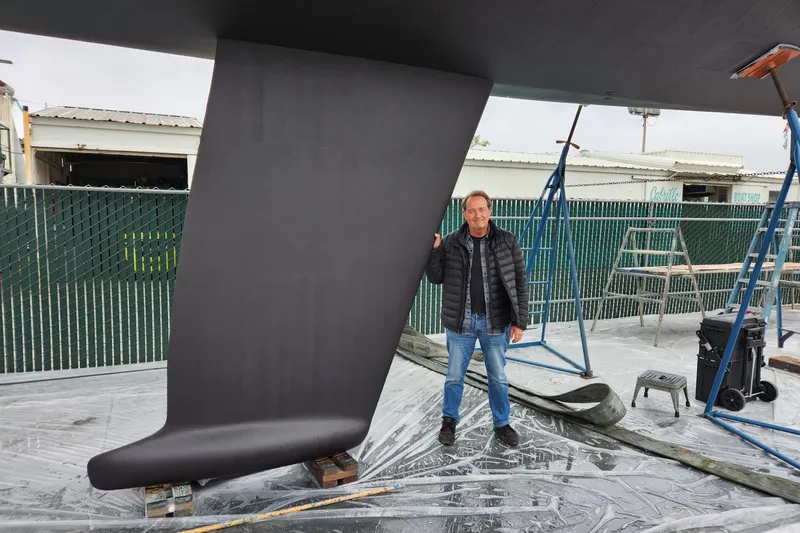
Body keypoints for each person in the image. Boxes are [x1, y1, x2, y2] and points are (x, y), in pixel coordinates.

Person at [426, 190, 528, 447]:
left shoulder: (507, 241)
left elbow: (519, 282)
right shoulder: (451, 242)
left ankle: (502, 424)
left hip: (496, 323)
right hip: (462, 324)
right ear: (464, 214)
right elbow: (436, 277)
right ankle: (449, 422)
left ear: (489, 211)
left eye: (481, 209)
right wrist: (434, 251)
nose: (477, 215)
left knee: (498, 378)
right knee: (453, 377)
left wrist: (520, 321)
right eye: (471, 210)